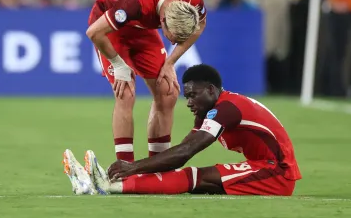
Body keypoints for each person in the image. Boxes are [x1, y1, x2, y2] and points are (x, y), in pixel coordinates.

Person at [63, 64, 301, 196]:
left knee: (198, 177)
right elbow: (179, 155)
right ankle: (110, 184)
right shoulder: (212, 109)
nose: (188, 103)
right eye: (186, 97)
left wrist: (132, 167)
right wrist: (136, 172)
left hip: (277, 172)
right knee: (196, 180)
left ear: (210, 90)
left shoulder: (227, 109)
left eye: (192, 96)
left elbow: (185, 152)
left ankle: (110, 187)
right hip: (265, 167)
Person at [85, 0, 207, 162]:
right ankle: (124, 168)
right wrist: (118, 65)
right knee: (125, 92)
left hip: (140, 26)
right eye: (172, 37)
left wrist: (170, 62)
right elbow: (94, 32)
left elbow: (201, 25)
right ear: (163, 20)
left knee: (167, 90)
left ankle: (157, 167)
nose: (173, 42)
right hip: (108, 26)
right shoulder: (133, 4)